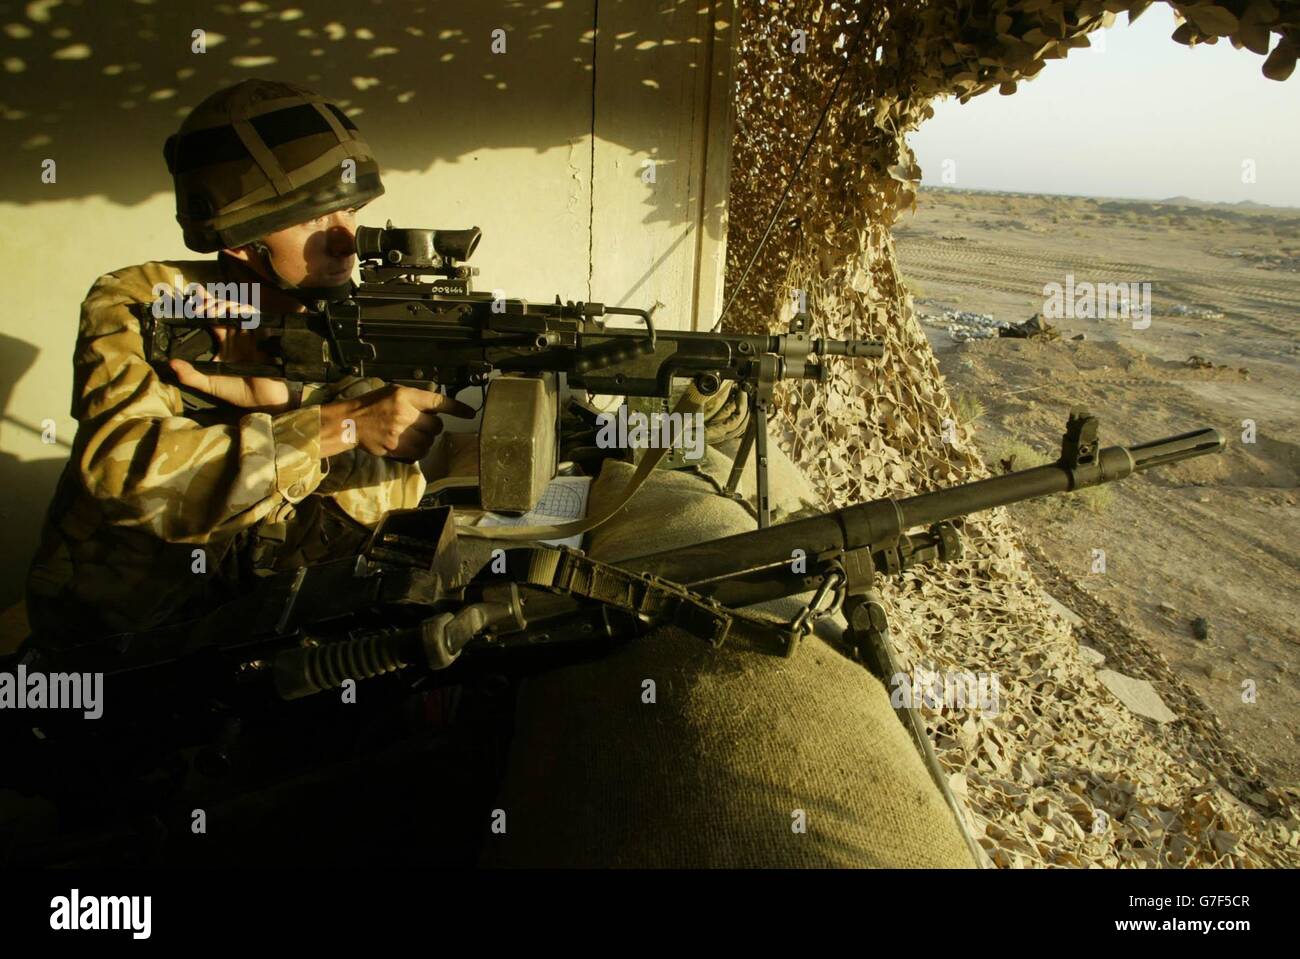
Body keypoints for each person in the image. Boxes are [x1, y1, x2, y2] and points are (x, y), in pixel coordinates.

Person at [24, 79, 472, 647]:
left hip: (271, 626)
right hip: (130, 632)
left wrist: (294, 406)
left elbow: (383, 496)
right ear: (241, 242)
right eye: (315, 220)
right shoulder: (150, 299)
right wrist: (337, 424)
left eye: (353, 211)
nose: (347, 243)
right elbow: (124, 475)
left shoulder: (357, 310)